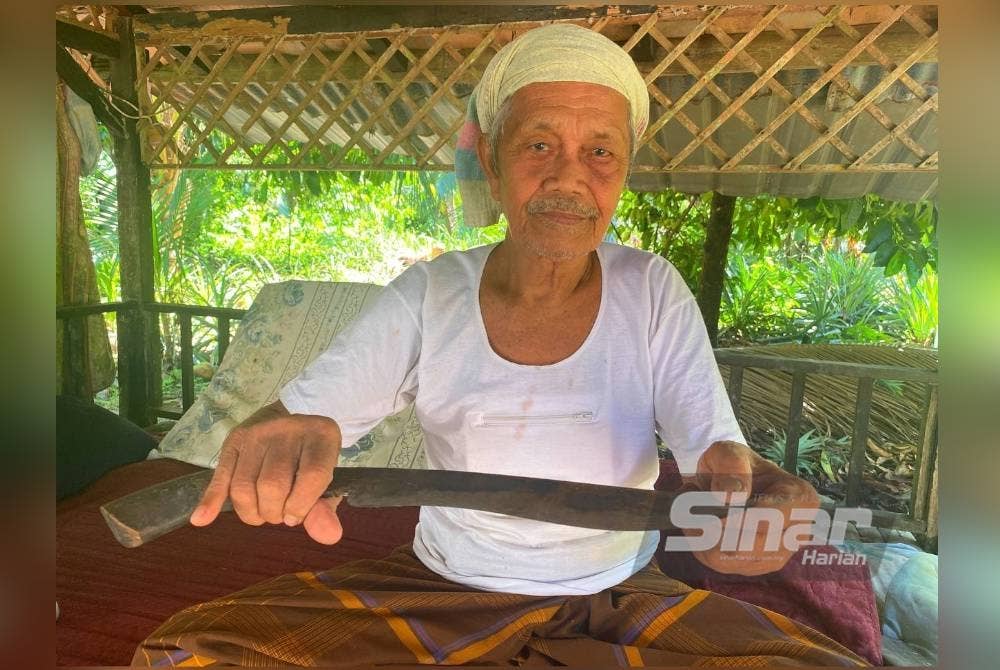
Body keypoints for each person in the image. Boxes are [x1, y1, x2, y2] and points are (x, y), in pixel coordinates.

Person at [135, 24, 866, 666]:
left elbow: (716, 457)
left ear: (625, 169)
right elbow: (308, 420)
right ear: (490, 159)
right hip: (442, 590)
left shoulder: (652, 288)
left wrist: (763, 497)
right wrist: (276, 438)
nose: (569, 176)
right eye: (538, 144)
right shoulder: (430, 295)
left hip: (619, 595)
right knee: (192, 656)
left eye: (601, 151)